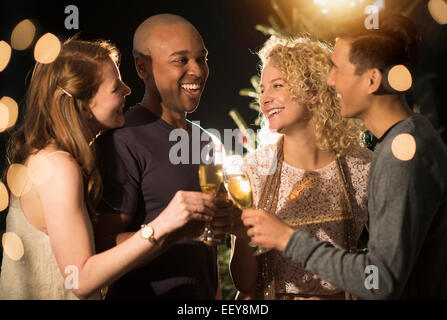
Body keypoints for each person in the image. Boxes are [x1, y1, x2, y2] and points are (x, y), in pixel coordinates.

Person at [242, 15, 447, 299]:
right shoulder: (411, 137)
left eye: (337, 69)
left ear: (372, 80)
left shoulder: (400, 153)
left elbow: (381, 280)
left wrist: (288, 239)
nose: (329, 80)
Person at [0, 39, 215, 300]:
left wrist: (177, 231)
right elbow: (79, 278)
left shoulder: (54, 158)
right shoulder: (58, 166)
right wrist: (162, 224)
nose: (127, 90)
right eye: (115, 87)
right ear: (80, 103)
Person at [95, 14, 232, 299]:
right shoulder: (122, 139)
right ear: (143, 67)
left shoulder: (206, 141)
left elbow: (208, 246)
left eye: (202, 58)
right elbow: (101, 249)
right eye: (181, 60)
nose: (197, 71)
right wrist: (175, 231)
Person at [230, 35, 372, 300]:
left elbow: (387, 269)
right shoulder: (254, 170)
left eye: (277, 85)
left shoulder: (362, 166)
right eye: (262, 90)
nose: (265, 99)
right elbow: (243, 282)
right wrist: (240, 231)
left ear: (314, 92)